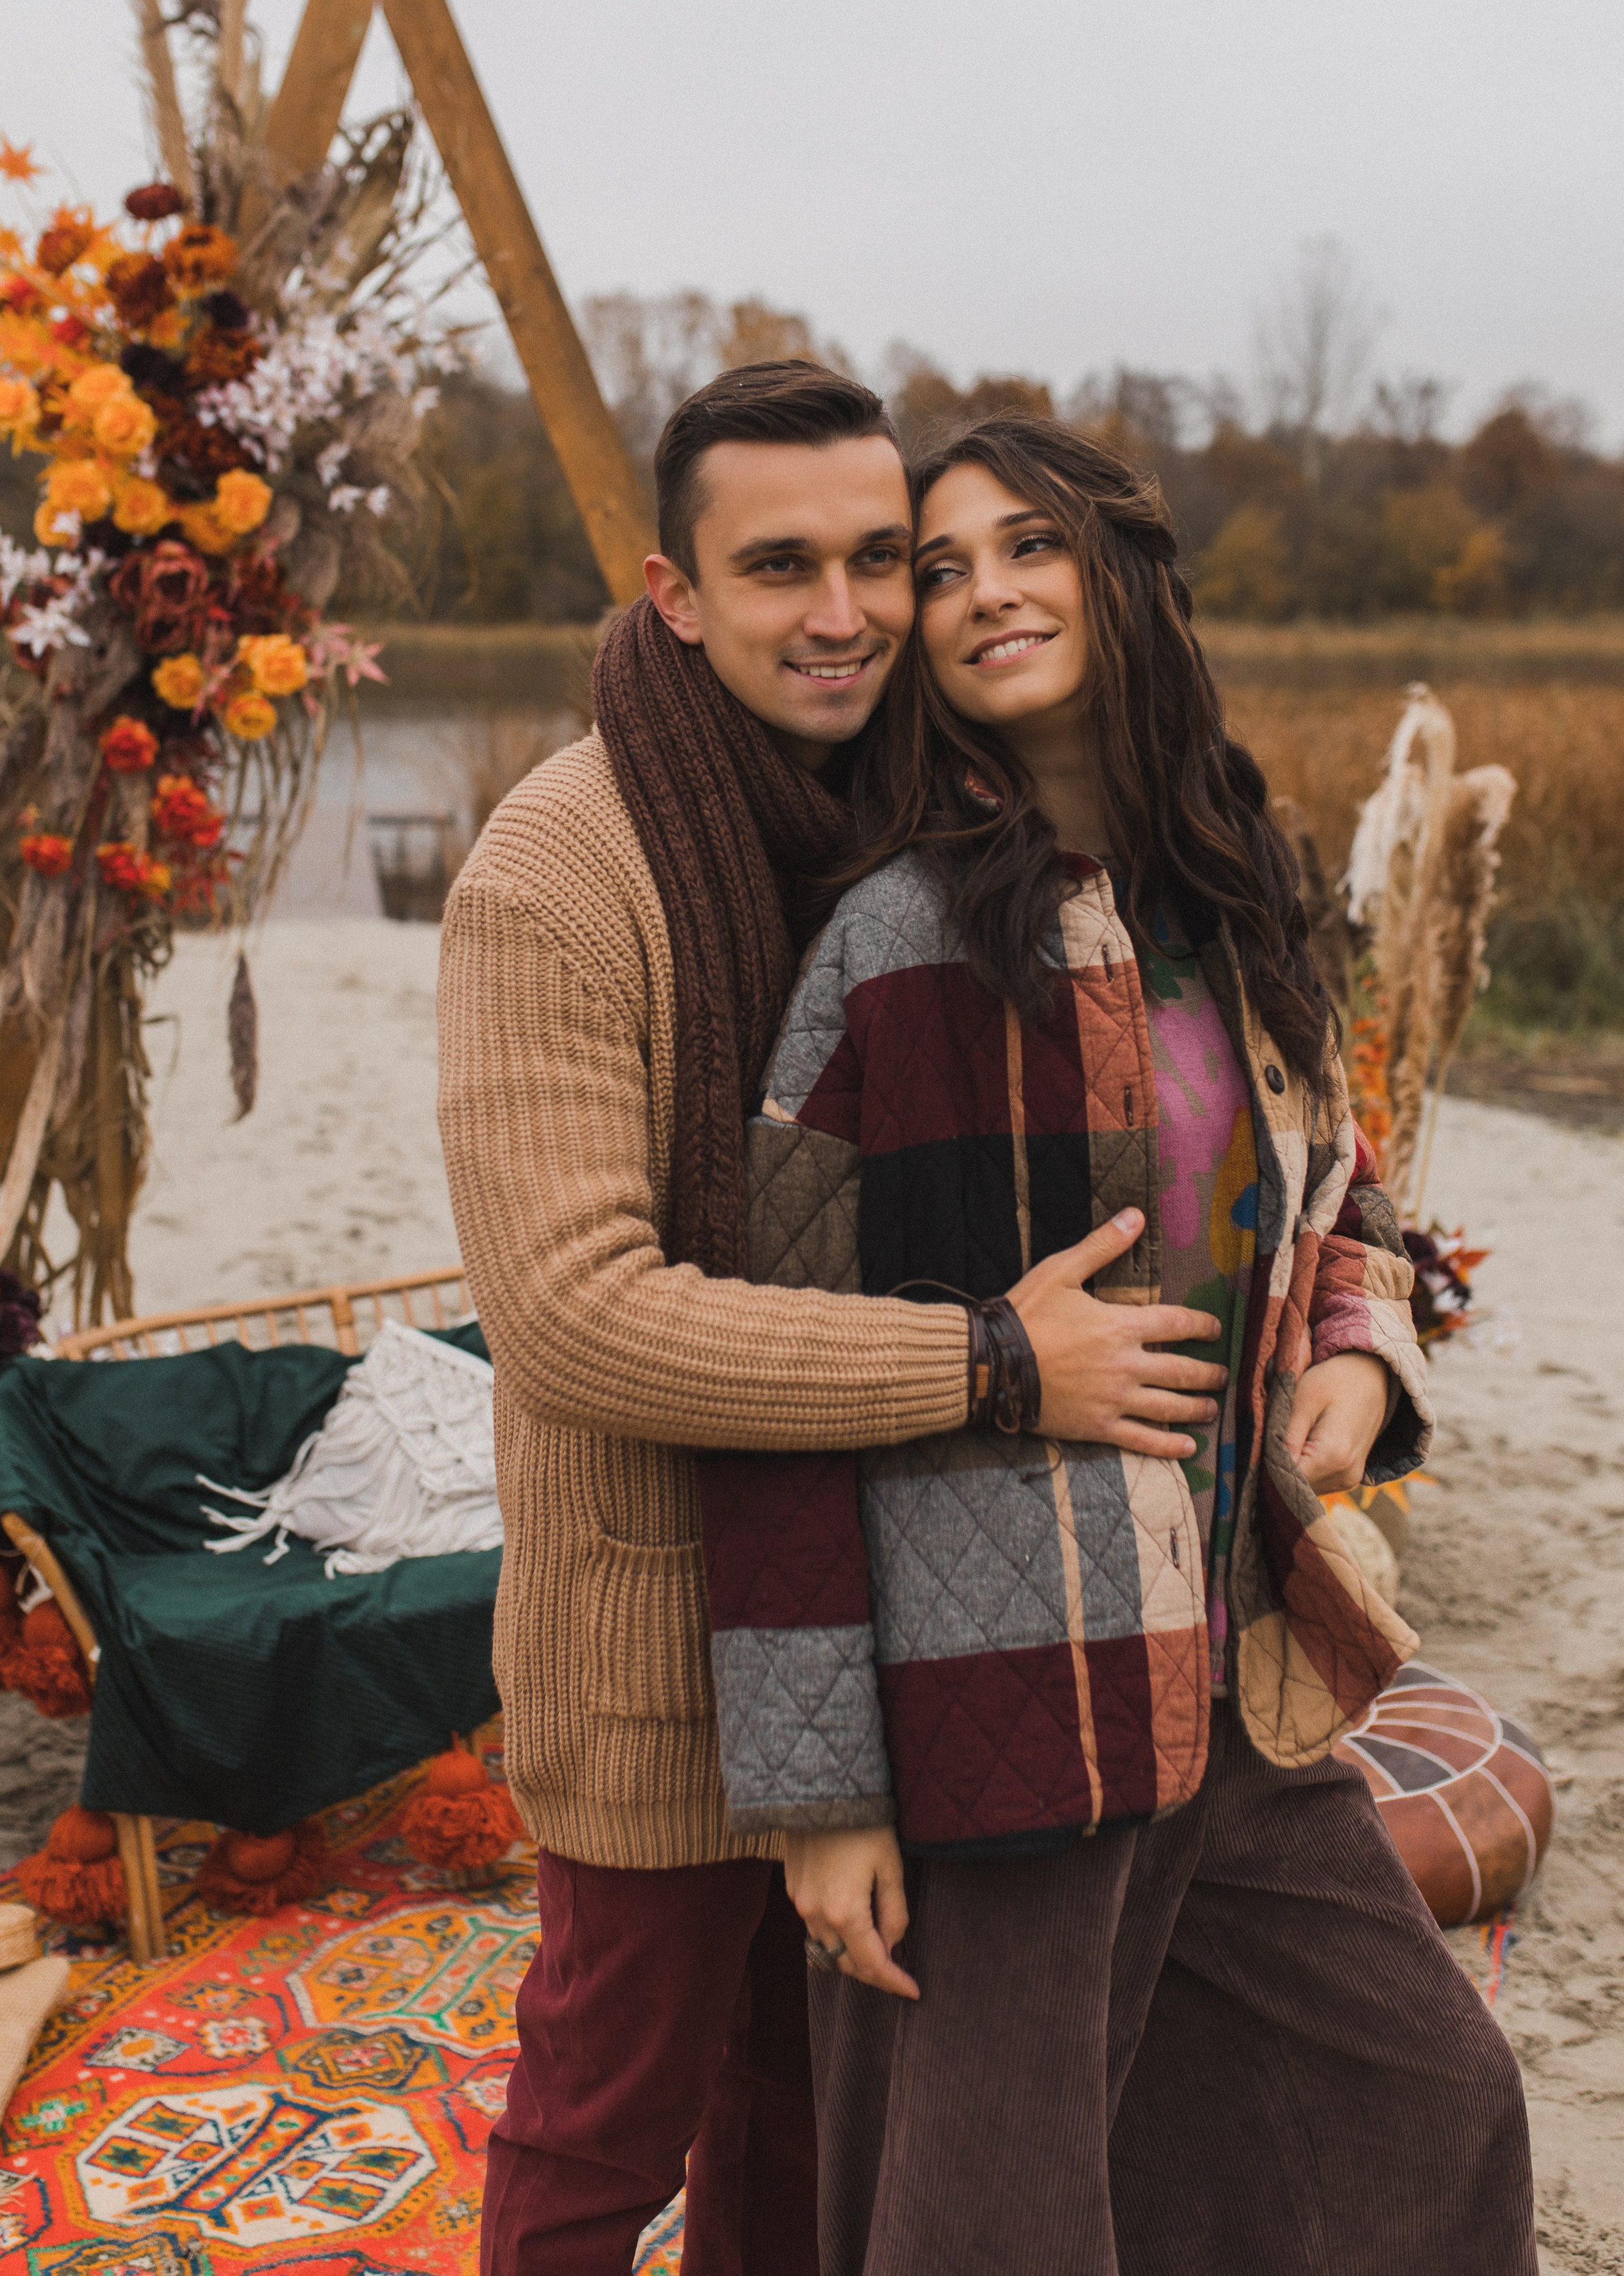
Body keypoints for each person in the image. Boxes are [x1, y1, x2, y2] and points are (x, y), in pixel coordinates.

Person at [703, 412, 1537, 2274]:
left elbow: (1344, 1180)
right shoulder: (896, 948)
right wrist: (821, 1798)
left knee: (1420, 2106)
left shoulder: (1237, 886)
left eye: (1028, 546)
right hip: (1009, 1694)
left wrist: (1358, 1343)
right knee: (994, 2223)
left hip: (1237, 1669)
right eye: (941, 567)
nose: (984, 591)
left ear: (1122, 573)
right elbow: (776, 1373)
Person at [436, 366, 1227, 2275]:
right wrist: (995, 1357)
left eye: (880, 558)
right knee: (603, 2122)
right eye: (780, 566)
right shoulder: (560, 870)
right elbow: (574, 1317)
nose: (849, 611)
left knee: (810, 2124)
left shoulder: (915, 823)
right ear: (675, 591)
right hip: (650, 1631)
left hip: (896, 1620)